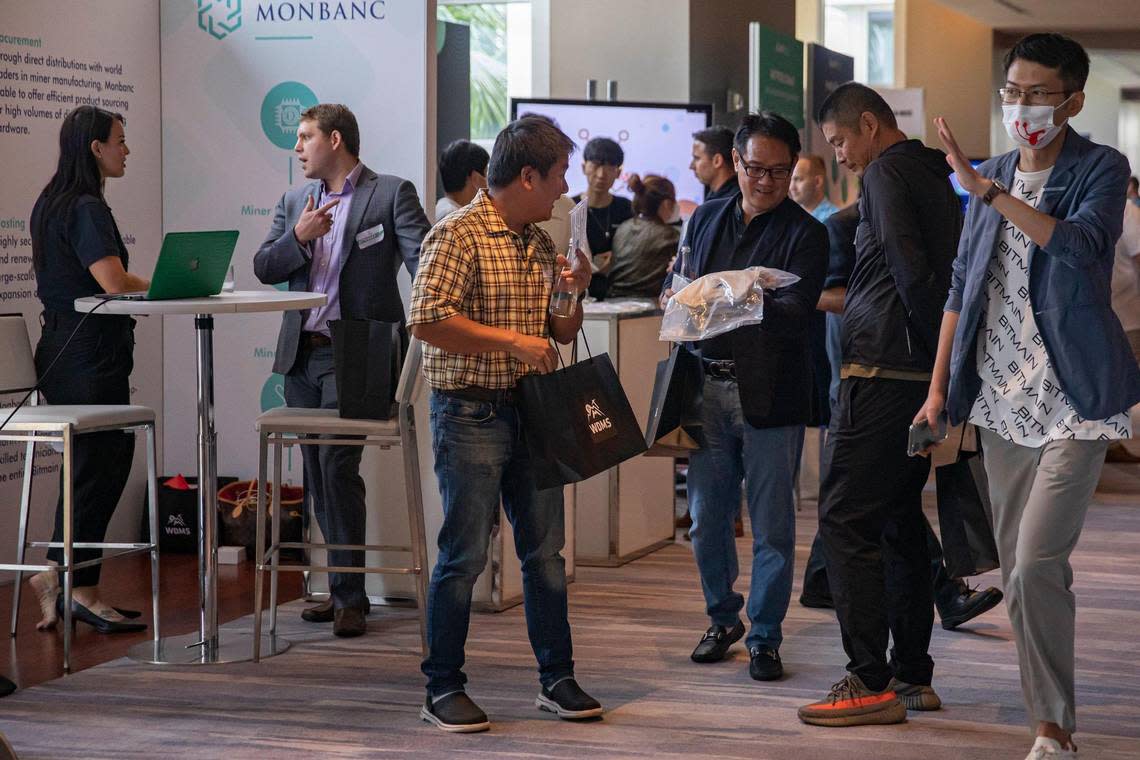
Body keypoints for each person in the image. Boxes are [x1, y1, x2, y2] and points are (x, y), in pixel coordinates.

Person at [915, 34, 1140, 758]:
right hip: (999, 400)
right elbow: (961, 284)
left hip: (1077, 394)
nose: (1023, 106)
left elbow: (1078, 249)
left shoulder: (1100, 167)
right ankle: (1046, 712)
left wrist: (989, 192)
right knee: (1017, 569)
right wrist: (937, 389)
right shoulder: (995, 170)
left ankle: (1053, 727)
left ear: (1072, 100)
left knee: (1037, 562)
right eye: (1013, 91)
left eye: (1039, 93)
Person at [409, 115, 601, 733]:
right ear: (526, 177)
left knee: (545, 554)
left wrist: (574, 292)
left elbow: (561, 332)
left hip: (531, 411)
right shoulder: (457, 234)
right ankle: (441, 687)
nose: (561, 193)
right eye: (558, 180)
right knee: (463, 555)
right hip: (469, 412)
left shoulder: (540, 244)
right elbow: (428, 319)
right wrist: (513, 343)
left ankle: (557, 677)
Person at [798, 82, 962, 727]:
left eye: (840, 142)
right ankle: (911, 675)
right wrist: (938, 375)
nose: (840, 157)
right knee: (895, 522)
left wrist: (934, 373)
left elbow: (913, 271)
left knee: (844, 522)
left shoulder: (890, 172)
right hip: (909, 374)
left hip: (884, 372)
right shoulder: (926, 169)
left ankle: (867, 680)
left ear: (868, 125)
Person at [661, 112, 827, 682]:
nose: (767, 181)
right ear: (735, 163)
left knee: (773, 525)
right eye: (756, 168)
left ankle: (764, 635)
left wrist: (723, 295)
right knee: (706, 519)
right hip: (706, 384)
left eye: (780, 172)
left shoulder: (807, 233)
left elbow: (794, 313)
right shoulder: (705, 220)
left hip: (772, 395)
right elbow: (681, 297)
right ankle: (722, 617)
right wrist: (749, 288)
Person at [253, 103, 428, 638]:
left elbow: (425, 261)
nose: (297, 148)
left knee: (335, 467)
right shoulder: (293, 201)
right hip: (302, 355)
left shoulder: (389, 192)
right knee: (314, 472)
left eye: (305, 137)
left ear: (334, 139)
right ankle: (342, 588)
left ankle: (351, 595)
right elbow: (265, 267)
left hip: (359, 355)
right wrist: (299, 237)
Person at [798, 202, 1004, 631]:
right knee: (879, 497)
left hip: (903, 380)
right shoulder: (843, 226)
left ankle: (822, 579)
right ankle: (944, 592)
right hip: (861, 378)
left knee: (872, 496)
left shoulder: (921, 225)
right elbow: (829, 294)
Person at [26, 105, 149, 636]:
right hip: (88, 356)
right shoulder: (86, 207)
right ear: (96, 148)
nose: (126, 150)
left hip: (59, 351)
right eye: (119, 140)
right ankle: (77, 585)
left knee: (87, 471)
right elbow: (114, 282)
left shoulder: (50, 202)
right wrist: (167, 284)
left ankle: (66, 580)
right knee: (102, 467)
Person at [573, 136, 633, 298]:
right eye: (596, 165)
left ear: (618, 172)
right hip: (578, 294)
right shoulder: (570, 206)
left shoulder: (626, 207)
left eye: (609, 167)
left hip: (618, 294)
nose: (601, 174)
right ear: (584, 167)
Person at [606, 174, 680, 299]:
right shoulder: (671, 235)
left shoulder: (623, 227)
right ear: (667, 204)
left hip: (612, 299)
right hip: (648, 306)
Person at [436, 139, 489, 221]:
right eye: (486, 173)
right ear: (475, 177)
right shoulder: (456, 217)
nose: (487, 183)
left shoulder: (442, 207)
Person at [690, 125, 740, 202]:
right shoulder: (716, 196)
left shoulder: (732, 202)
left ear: (717, 161)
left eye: (697, 158)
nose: (691, 166)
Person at [789, 155, 839, 222]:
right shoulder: (790, 216)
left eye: (798, 179)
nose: (791, 187)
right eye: (790, 180)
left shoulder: (835, 219)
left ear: (817, 182)